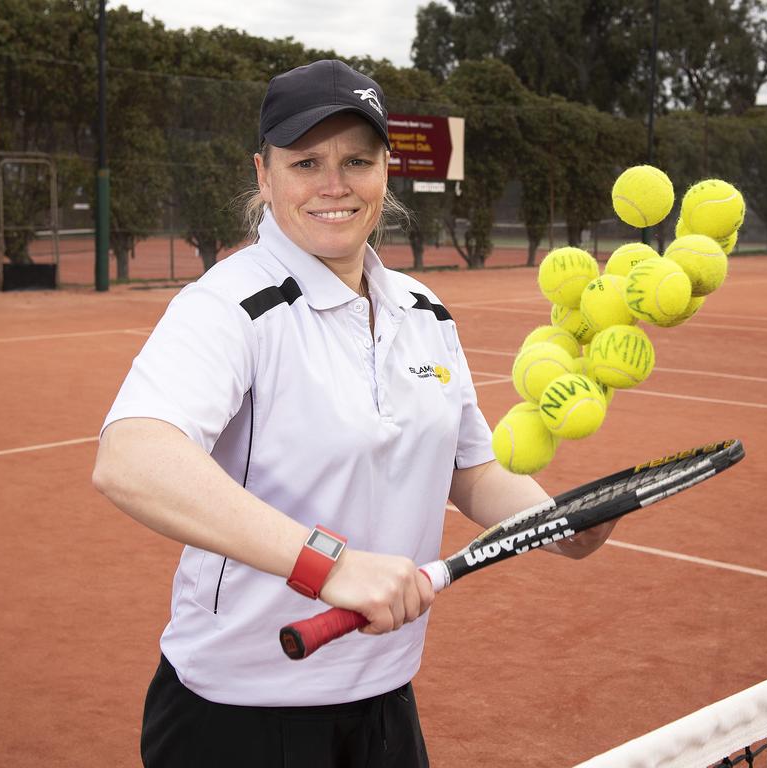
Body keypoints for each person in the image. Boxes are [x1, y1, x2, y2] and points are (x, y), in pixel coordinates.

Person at [92, 59, 616, 768]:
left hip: (383, 698)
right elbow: (131, 458)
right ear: (264, 174)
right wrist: (325, 566)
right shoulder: (228, 305)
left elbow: (472, 471)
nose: (334, 185)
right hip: (241, 712)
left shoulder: (423, 311)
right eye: (306, 161)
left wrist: (556, 524)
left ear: (384, 173)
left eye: (357, 161)